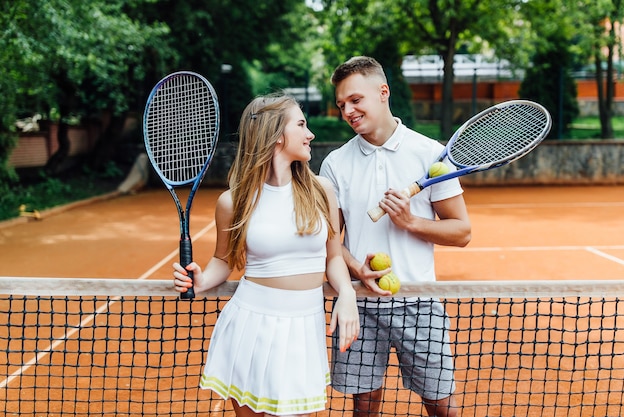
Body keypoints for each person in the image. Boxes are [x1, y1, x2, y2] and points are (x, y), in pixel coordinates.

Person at [173, 92, 360, 417]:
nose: (310, 134)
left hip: (305, 327)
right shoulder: (233, 202)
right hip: (251, 327)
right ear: (275, 134)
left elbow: (333, 257)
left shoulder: (322, 191)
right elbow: (223, 261)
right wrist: (201, 281)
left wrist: (346, 294)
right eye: (301, 124)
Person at [319, 56, 472, 417]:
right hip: (360, 304)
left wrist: (411, 222)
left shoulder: (431, 154)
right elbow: (328, 243)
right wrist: (357, 268)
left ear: (383, 92)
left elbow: (462, 231)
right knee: (364, 407)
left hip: (419, 301)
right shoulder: (335, 165)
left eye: (356, 100)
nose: (348, 111)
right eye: (342, 104)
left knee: (442, 406)